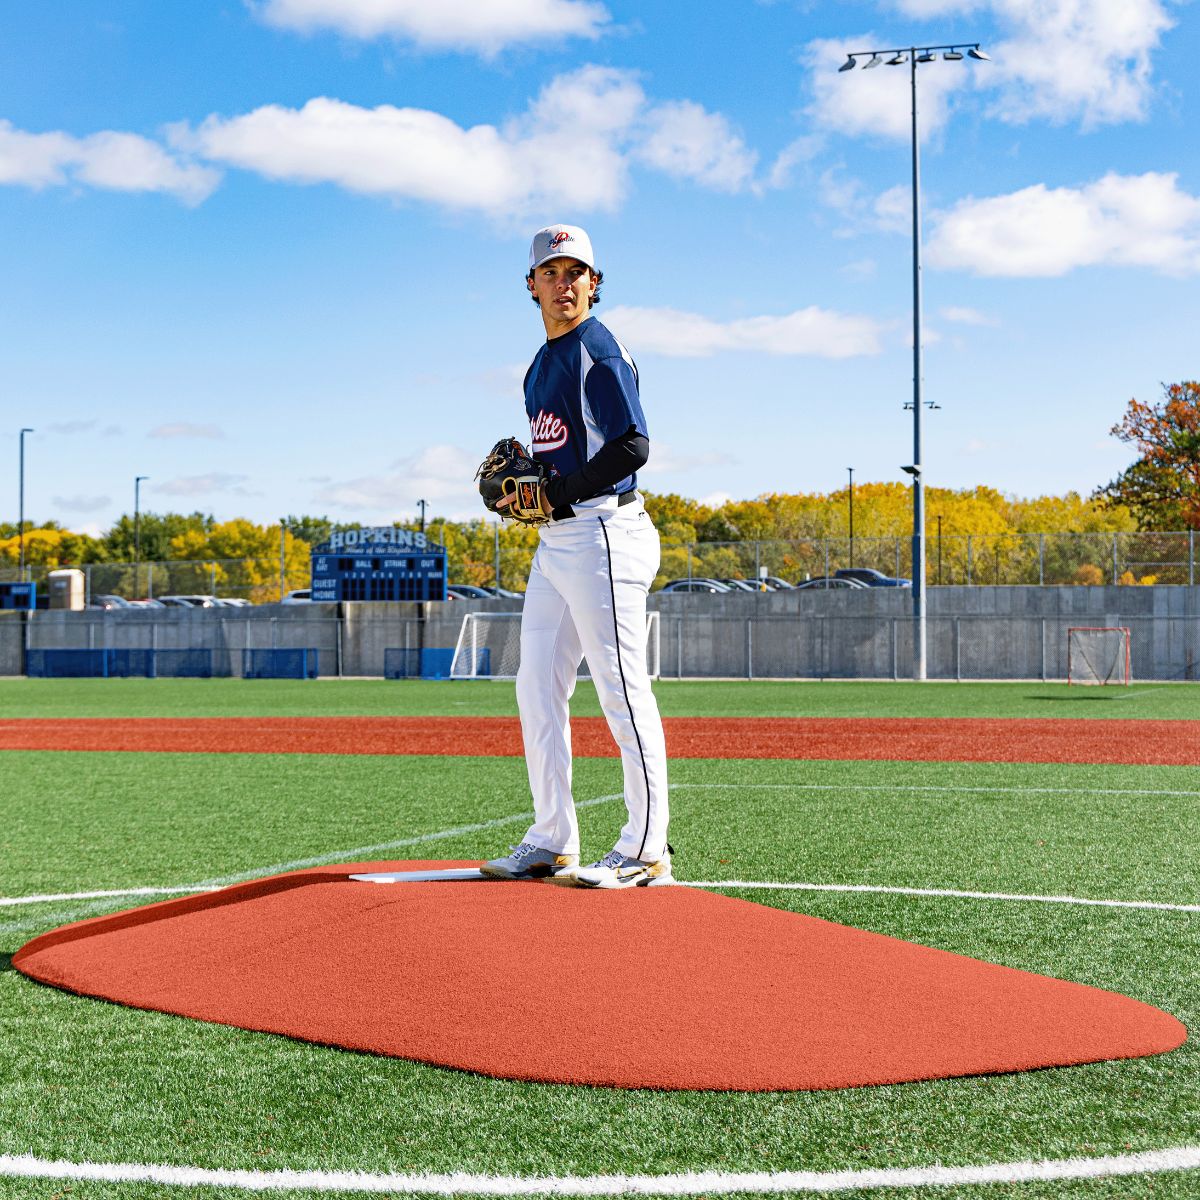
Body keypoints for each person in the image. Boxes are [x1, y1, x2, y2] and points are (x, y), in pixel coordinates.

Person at [480, 224, 671, 889]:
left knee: (620, 690)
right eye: (551, 272)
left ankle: (646, 847)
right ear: (530, 285)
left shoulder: (599, 350)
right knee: (534, 686)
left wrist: (557, 490)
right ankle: (553, 836)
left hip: (604, 534)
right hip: (558, 540)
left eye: (576, 272)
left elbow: (630, 446)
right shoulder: (540, 363)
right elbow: (562, 452)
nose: (564, 284)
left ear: (595, 283)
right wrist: (524, 488)